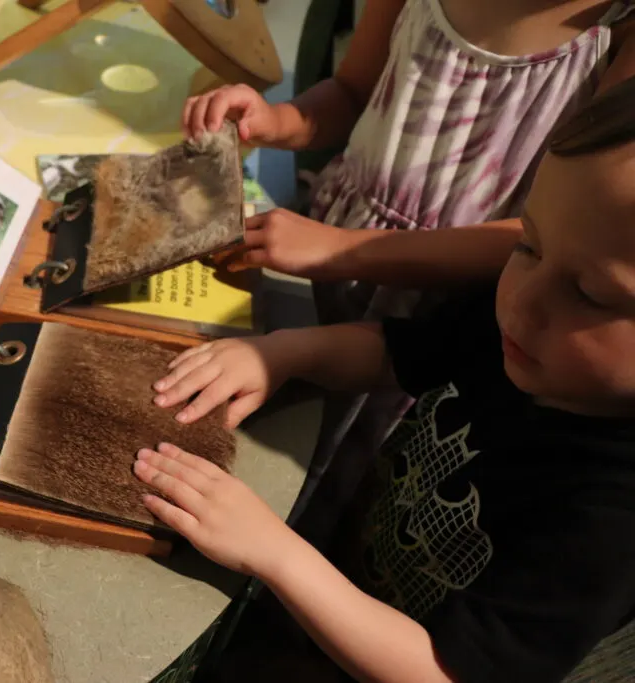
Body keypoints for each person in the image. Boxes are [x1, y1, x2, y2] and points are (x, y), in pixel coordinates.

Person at [137, 78, 635, 682]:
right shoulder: (526, 327)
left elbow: (446, 673)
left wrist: (274, 553)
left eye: (591, 293)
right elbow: (395, 352)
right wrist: (282, 353)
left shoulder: (612, 518)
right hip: (333, 599)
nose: (522, 304)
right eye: (527, 245)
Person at [185, 0, 635, 551]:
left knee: (331, 474)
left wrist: (345, 250)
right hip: (322, 248)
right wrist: (277, 120)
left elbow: (544, 238)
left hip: (436, 305)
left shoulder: (620, 31)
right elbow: (353, 91)